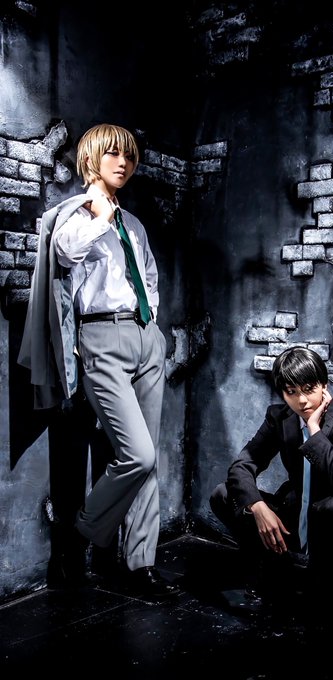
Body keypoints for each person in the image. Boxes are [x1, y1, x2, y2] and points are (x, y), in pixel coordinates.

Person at [18, 123, 180, 600]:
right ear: (91, 160)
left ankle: (141, 565)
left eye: (128, 155)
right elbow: (64, 255)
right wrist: (99, 216)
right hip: (101, 337)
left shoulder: (135, 226)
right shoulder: (74, 216)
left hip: (145, 336)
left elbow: (148, 278)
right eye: (112, 154)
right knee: (138, 454)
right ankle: (82, 532)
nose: (123, 163)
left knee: (149, 462)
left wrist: (152, 327)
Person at [210, 346, 333, 617]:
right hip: (297, 515)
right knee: (224, 494)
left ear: (324, 386)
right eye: (291, 392)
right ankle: (276, 574)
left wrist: (314, 431)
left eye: (309, 389)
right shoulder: (279, 417)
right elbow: (243, 465)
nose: (302, 401)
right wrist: (257, 506)